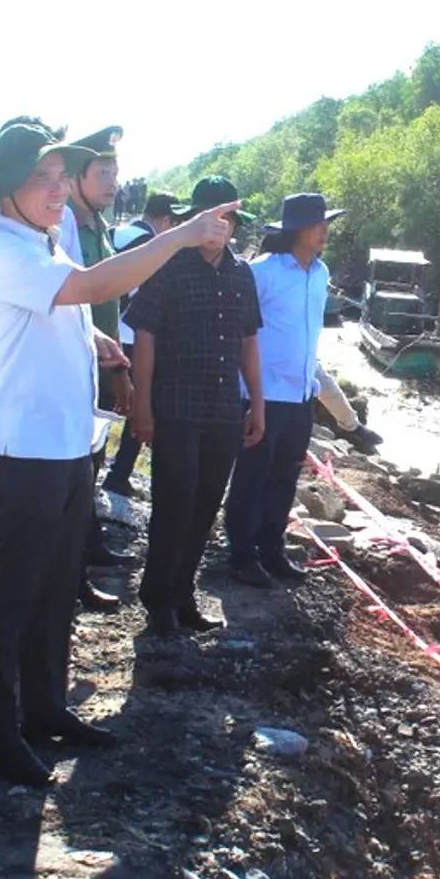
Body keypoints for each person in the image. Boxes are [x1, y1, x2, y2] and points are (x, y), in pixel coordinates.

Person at [0, 125, 237, 786]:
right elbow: (84, 285)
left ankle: (47, 709)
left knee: (55, 591)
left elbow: (61, 301)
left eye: (63, 175)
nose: (58, 188)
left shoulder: (40, 240)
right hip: (22, 449)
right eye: (44, 177)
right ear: (9, 188)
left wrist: (92, 338)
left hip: (64, 443)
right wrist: (175, 237)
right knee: (10, 599)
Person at [127, 176, 264, 636]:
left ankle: (183, 595)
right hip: (176, 405)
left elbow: (249, 341)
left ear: (233, 225)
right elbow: (144, 338)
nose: (217, 227)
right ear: (194, 221)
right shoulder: (167, 266)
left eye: (226, 218)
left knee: (206, 505)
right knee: (174, 502)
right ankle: (158, 599)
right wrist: (141, 407)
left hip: (224, 407)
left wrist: (257, 405)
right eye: (209, 217)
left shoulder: (242, 273)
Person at [225, 193, 340, 589]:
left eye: (326, 223)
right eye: (317, 224)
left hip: (300, 397)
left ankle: (271, 549)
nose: (325, 231)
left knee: (284, 478)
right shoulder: (263, 272)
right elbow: (240, 331)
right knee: (251, 477)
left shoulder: (321, 273)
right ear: (296, 230)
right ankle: (241, 554)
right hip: (262, 395)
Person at [59, 124, 132, 609]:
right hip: (74, 368)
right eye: (101, 172)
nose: (111, 182)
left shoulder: (99, 229)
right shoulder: (64, 224)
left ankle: (83, 556)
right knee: (74, 475)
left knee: (90, 466)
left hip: (98, 364)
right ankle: (72, 576)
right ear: (75, 178)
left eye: (115, 172)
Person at [102, 191, 185, 498]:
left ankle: (94, 472)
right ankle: (119, 473)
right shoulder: (150, 245)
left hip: (101, 332)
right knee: (139, 406)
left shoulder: (113, 231)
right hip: (129, 336)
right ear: (166, 220)